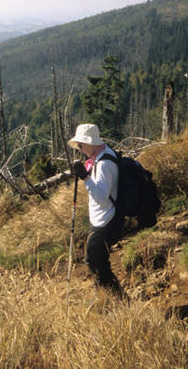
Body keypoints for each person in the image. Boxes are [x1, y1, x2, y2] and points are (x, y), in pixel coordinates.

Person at [69, 123, 124, 295]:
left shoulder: (104, 164)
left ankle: (114, 298)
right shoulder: (100, 156)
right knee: (97, 260)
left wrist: (85, 177)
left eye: (81, 144)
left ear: (90, 142)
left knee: (94, 260)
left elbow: (101, 197)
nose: (79, 147)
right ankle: (110, 295)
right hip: (103, 218)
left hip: (107, 219)